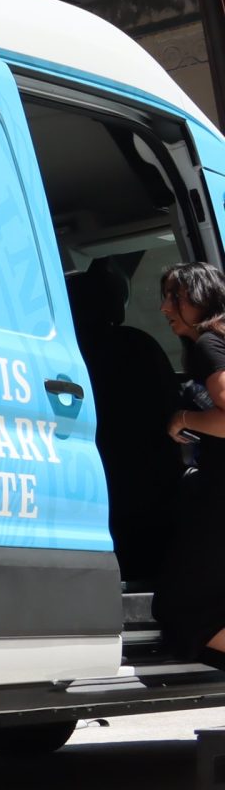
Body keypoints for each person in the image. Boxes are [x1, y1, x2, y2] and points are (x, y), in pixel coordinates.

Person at [70, 265, 182, 580]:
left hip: (96, 481)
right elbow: (170, 404)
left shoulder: (69, 351)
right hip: (147, 483)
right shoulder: (138, 345)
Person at [158, 262, 225, 666]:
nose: (166, 308)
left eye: (174, 296)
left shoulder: (209, 345)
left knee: (184, 612)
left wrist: (183, 420)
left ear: (199, 296)